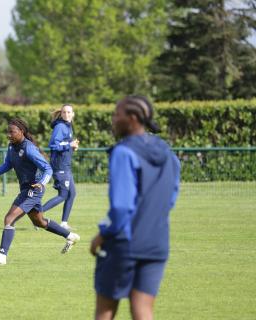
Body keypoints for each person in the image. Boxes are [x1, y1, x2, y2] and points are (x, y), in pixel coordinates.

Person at [89, 95, 180, 320]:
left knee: (105, 311)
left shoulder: (123, 152)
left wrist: (102, 235)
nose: (113, 119)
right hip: (157, 242)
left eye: (116, 114)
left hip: (125, 244)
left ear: (132, 118)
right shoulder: (167, 152)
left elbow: (121, 207)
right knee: (143, 310)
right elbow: (171, 197)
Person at [0, 118, 80, 265]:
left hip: (33, 189)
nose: (9, 135)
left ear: (21, 132)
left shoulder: (28, 148)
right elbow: (8, 164)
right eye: (8, 132)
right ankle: (70, 236)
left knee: (9, 219)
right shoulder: (11, 147)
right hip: (26, 189)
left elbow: (48, 168)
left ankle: (2, 256)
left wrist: (41, 183)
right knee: (39, 221)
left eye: (12, 132)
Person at [42, 104, 79, 230]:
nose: (67, 114)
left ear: (73, 114)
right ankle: (38, 214)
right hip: (60, 166)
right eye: (64, 112)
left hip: (65, 165)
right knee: (63, 195)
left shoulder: (68, 127)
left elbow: (64, 144)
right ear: (61, 114)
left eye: (69, 112)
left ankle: (64, 223)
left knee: (72, 194)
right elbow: (53, 145)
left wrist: (72, 146)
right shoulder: (60, 127)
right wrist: (69, 145)